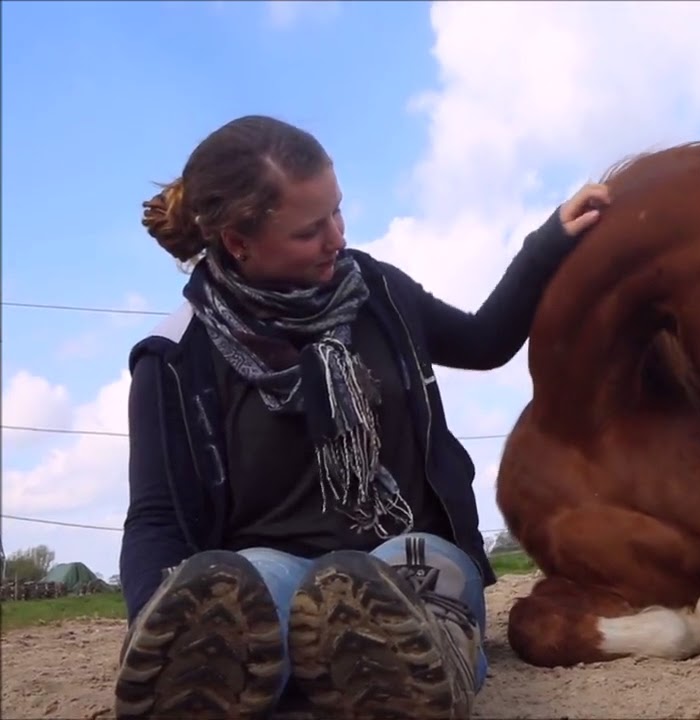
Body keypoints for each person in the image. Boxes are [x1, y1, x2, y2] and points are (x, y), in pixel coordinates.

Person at [116, 114, 609, 719]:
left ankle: (398, 666)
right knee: (243, 588)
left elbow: (484, 342)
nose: (337, 239)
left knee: (404, 578)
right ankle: (201, 675)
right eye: (308, 231)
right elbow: (156, 518)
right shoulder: (174, 358)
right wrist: (152, 618)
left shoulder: (378, 290)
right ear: (238, 242)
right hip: (272, 565)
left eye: (337, 212)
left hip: (409, 547)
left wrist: (547, 244)